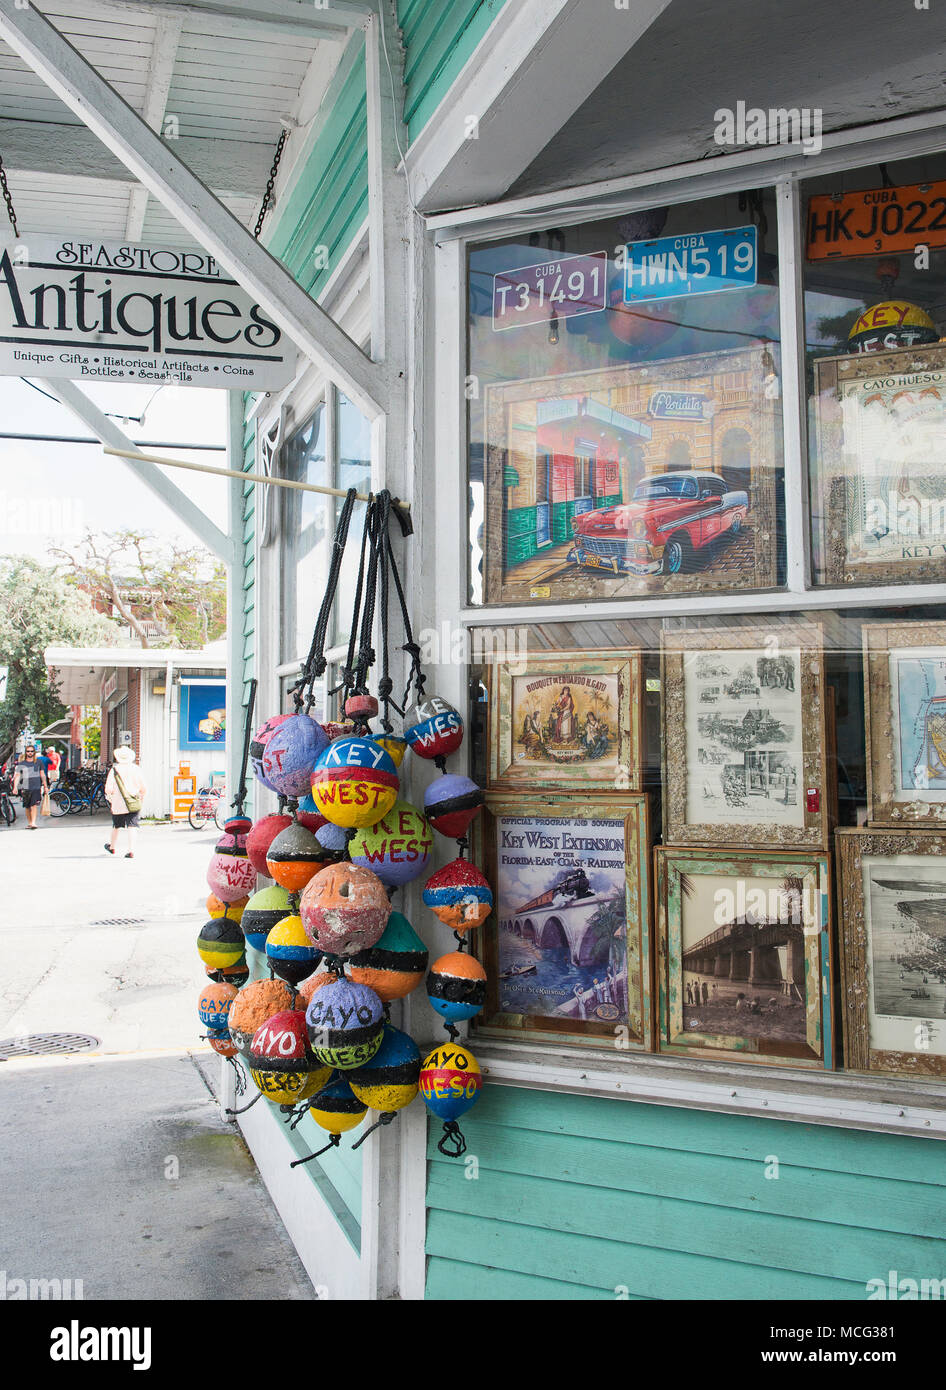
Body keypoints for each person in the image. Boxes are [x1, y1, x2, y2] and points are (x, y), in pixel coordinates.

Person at [104, 746, 147, 859]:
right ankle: (131, 850)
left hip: (118, 802)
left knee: (116, 825)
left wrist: (110, 798)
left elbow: (108, 788)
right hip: (133, 801)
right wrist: (141, 797)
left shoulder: (115, 770)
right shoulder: (136, 769)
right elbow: (143, 787)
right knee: (132, 826)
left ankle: (112, 847)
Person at [12, 745, 48, 829]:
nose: (30, 753)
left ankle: (33, 822)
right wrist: (15, 787)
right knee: (27, 806)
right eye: (28, 751)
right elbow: (17, 776)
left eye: (31, 751)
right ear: (26, 752)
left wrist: (45, 786)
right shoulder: (22, 763)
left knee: (33, 805)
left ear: (34, 752)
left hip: (36, 786)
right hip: (25, 787)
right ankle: (29, 822)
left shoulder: (39, 762)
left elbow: (42, 774)